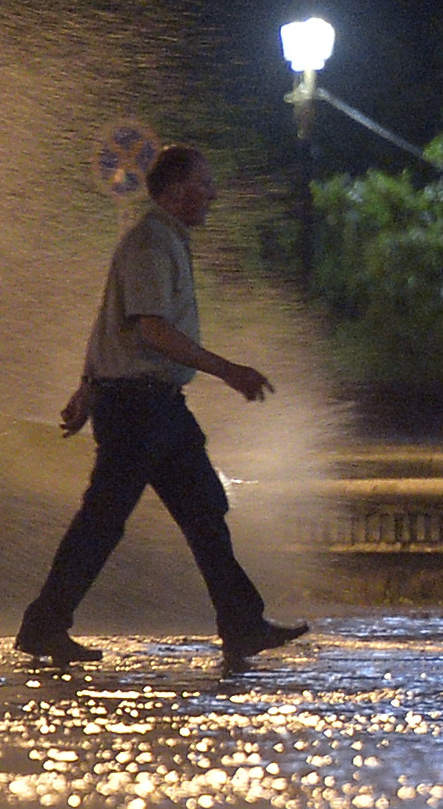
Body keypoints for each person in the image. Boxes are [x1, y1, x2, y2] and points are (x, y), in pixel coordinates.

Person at [16, 141, 311, 671]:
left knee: (204, 511)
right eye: (204, 184)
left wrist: (87, 385)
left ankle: (242, 623)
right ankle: (44, 625)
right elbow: (150, 329)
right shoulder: (151, 245)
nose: (213, 194)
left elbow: (111, 318)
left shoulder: (161, 240)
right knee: (106, 520)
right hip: (138, 408)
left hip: (155, 407)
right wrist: (229, 372)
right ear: (175, 191)